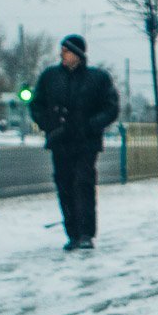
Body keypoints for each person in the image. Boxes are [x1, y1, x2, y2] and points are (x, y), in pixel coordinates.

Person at [30, 34, 120, 251]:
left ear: (78, 54)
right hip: (60, 141)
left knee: (83, 185)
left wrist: (91, 125)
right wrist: (48, 125)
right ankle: (72, 234)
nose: (63, 55)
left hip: (86, 142)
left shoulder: (97, 78)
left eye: (67, 51)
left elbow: (111, 107)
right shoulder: (50, 77)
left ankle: (86, 233)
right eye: (62, 51)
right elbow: (36, 104)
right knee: (65, 187)